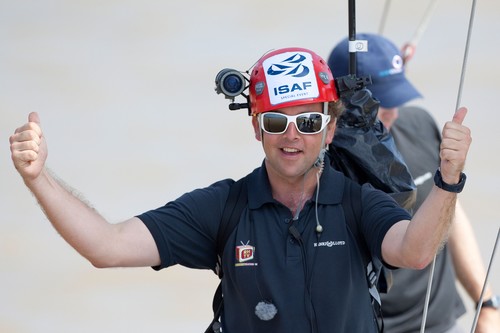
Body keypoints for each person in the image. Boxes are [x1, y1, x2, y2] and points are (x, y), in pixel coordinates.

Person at [10, 47, 472, 333]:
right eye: (276, 121)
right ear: (256, 128)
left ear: (329, 130)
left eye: (309, 122)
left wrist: (448, 178)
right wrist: (39, 177)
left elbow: (415, 252)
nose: (292, 137)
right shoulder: (224, 207)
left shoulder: (358, 202)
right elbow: (106, 247)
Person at [328, 33, 500, 333]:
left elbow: (449, 211)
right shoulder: (323, 165)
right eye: (381, 102)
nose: (393, 112)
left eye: (398, 97)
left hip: (441, 321)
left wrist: (486, 304)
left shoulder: (419, 123)